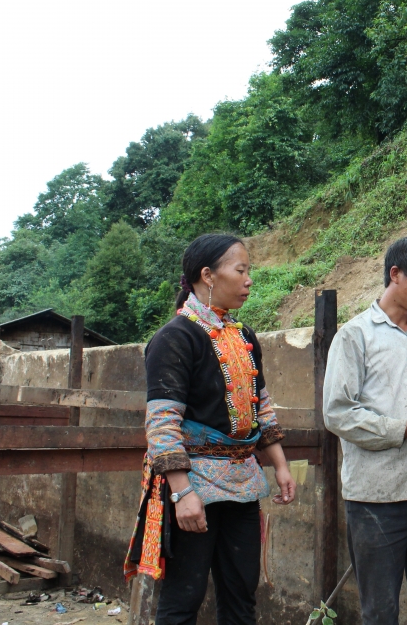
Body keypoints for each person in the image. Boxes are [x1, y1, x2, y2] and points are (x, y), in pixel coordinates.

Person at [124, 233, 296, 625]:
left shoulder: (244, 336)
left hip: (243, 484)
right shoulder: (174, 338)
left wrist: (281, 465)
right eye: (241, 270)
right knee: (184, 598)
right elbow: (162, 425)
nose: (249, 280)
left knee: (241, 595)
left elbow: (261, 406)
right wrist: (183, 493)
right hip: (194, 486)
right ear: (208, 276)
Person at [323, 235, 407, 625]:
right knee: (380, 608)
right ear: (396, 273)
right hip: (376, 496)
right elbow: (338, 413)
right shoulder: (355, 336)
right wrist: (404, 429)